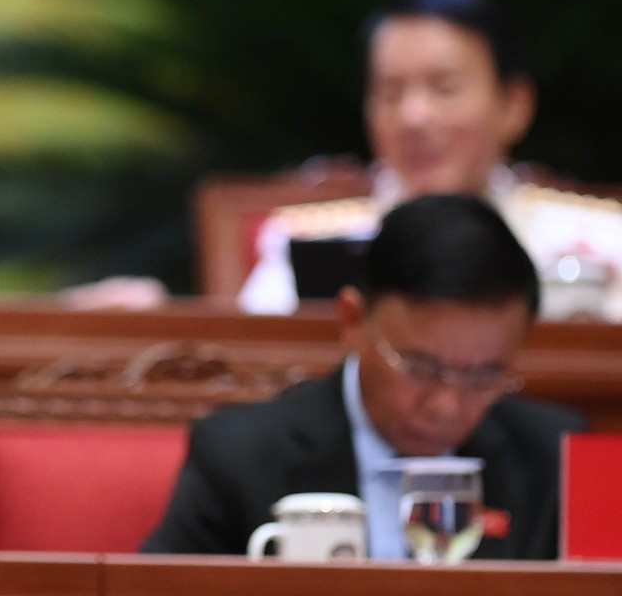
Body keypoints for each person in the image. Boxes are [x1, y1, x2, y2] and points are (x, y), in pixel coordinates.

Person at [147, 194, 584, 559]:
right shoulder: (239, 457)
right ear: (353, 320)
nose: (447, 405)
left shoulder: (554, 460)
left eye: (484, 376)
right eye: (421, 368)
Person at [239, 0, 622, 318]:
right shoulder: (307, 246)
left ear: (514, 105)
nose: (414, 117)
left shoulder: (600, 246)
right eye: (390, 92)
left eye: (445, 87)